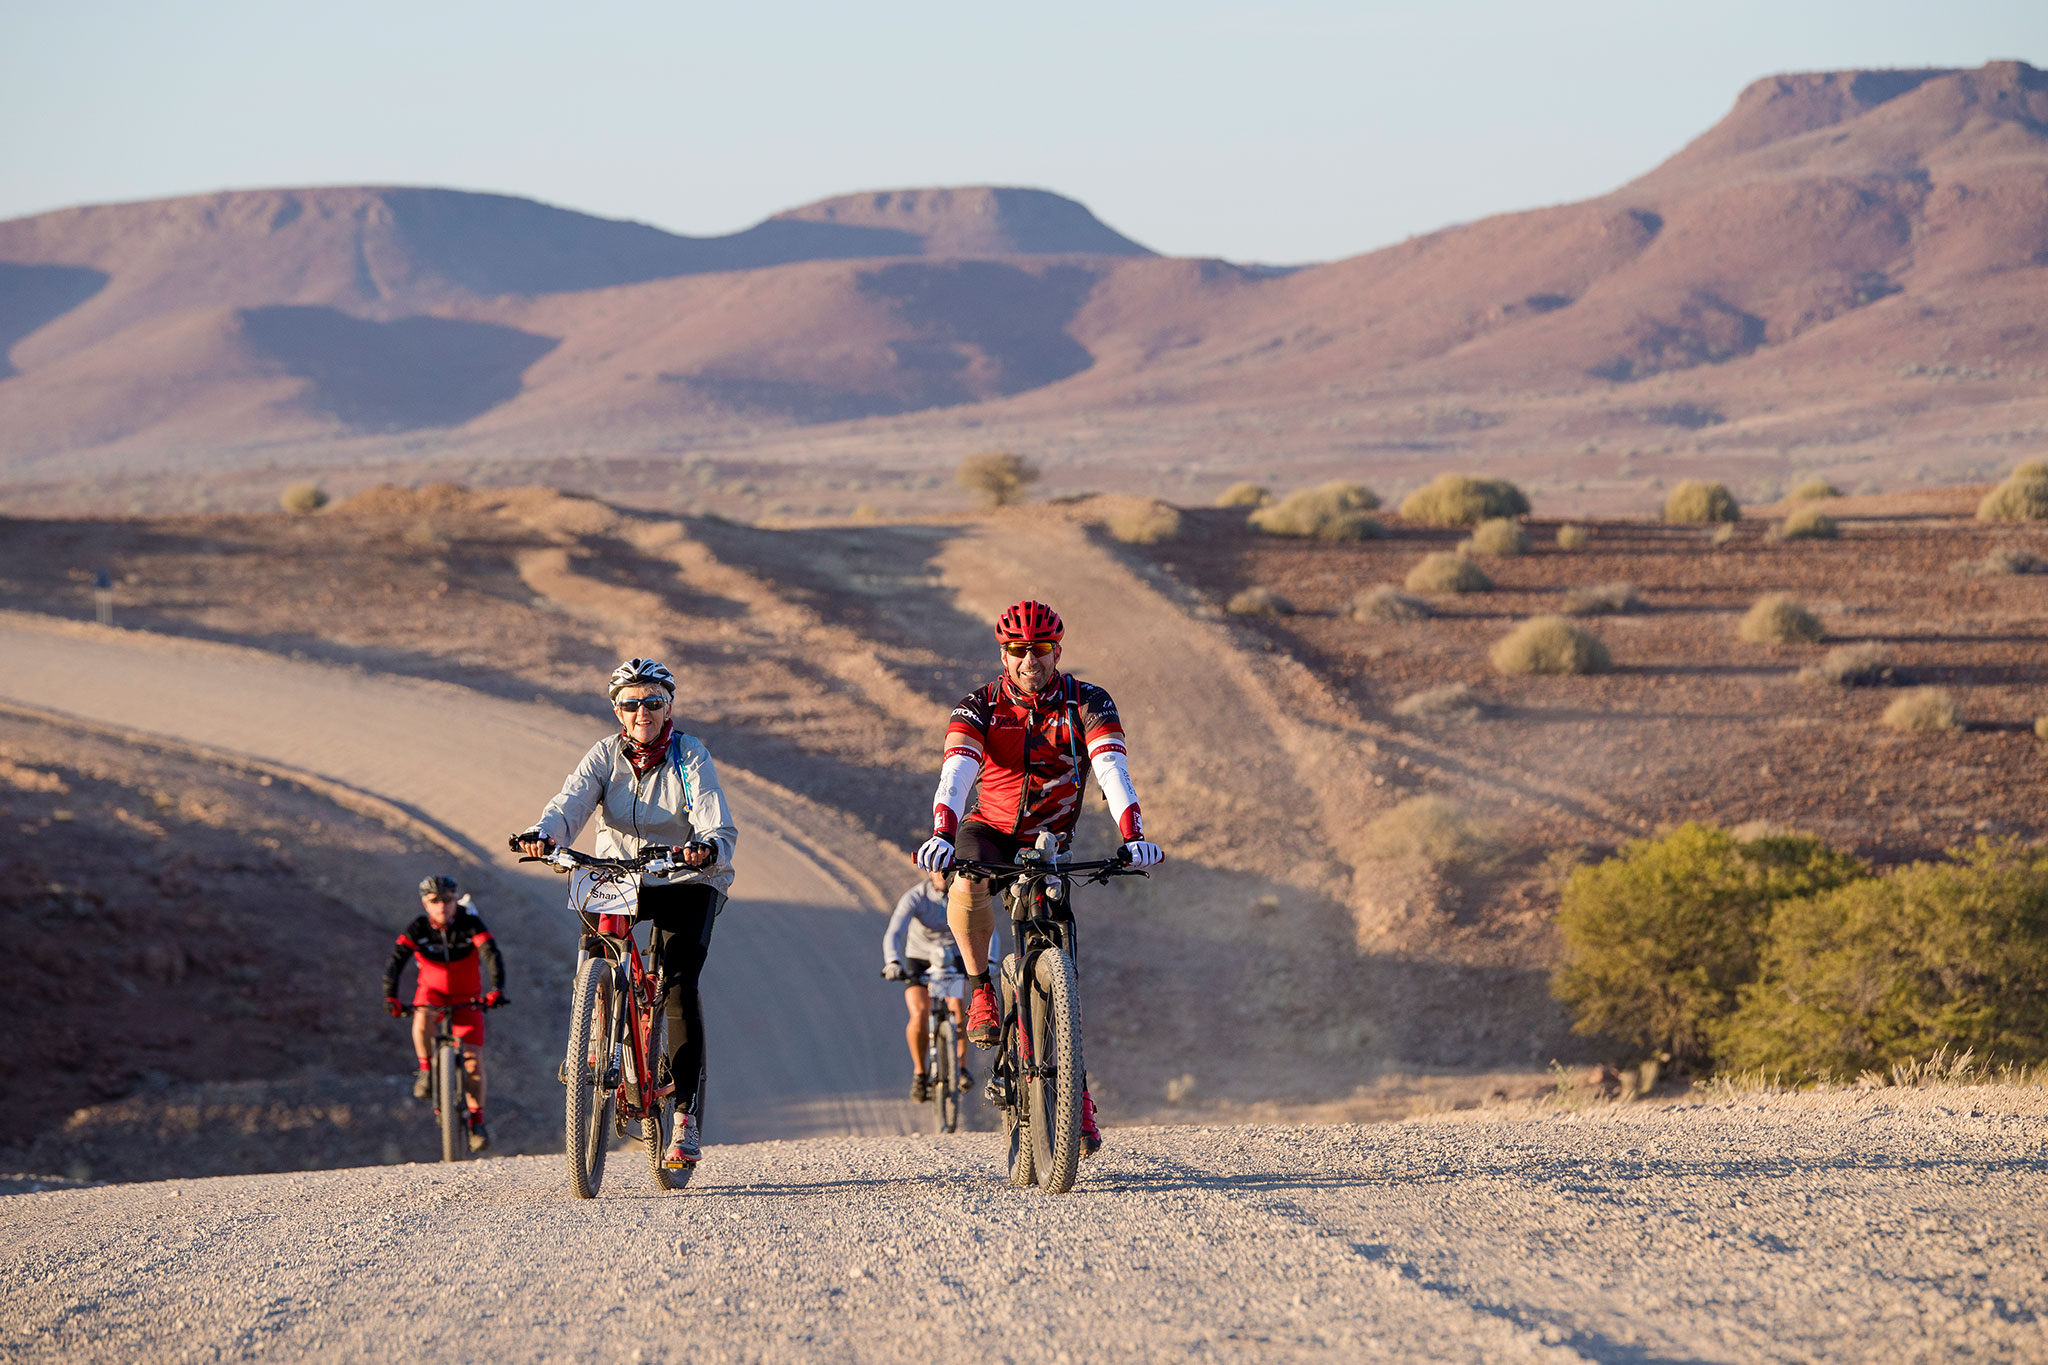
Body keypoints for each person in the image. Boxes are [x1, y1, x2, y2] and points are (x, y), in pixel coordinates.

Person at [914, 599, 1163, 1156]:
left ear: (1058, 650)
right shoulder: (979, 705)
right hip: (990, 829)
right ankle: (981, 989)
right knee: (967, 882)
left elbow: (1110, 768)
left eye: (1042, 649)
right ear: (1004, 653)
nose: (1031, 659)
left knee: (1062, 965)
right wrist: (941, 832)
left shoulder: (1088, 701)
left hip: (1048, 839)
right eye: (1019, 650)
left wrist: (1132, 834)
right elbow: (956, 772)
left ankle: (1078, 1097)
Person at [512, 657, 736, 1173]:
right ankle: (590, 1035)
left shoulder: (690, 755)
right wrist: (546, 835)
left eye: (652, 702)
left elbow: (713, 812)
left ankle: (683, 1118)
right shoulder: (604, 755)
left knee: (678, 985)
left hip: (686, 878)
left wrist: (707, 847)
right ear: (617, 709)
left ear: (668, 707)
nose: (642, 712)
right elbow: (570, 802)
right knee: (593, 953)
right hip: (618, 874)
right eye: (631, 703)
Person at [382, 875, 505, 1152]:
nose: (442, 907)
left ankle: (477, 1122)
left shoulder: (470, 923)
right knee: (422, 1016)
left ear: (455, 899)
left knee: (473, 1062)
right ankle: (426, 1070)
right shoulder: (418, 928)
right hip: (432, 994)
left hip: (467, 998)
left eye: (448, 900)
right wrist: (390, 996)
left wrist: (497, 989)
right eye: (434, 901)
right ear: (425, 903)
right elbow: (396, 961)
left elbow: (491, 954)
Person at [882, 866, 988, 1102]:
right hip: (919, 957)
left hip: (953, 956)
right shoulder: (916, 897)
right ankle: (920, 1073)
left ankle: (960, 1068)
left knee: (958, 1010)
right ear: (929, 873)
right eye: (938, 871)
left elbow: (984, 926)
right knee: (919, 1013)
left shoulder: (961, 894)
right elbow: (894, 932)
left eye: (947, 871)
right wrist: (892, 961)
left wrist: (990, 958)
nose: (942, 876)